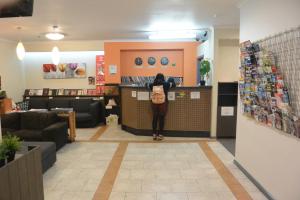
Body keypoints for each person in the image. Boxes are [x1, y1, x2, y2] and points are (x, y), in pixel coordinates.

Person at [146, 73, 176, 141]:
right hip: (163, 103)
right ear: (163, 78)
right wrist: (170, 81)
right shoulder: (166, 84)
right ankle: (160, 135)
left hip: (154, 103)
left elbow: (146, 85)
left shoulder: (152, 84)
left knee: (155, 118)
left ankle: (154, 134)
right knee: (161, 118)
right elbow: (173, 84)